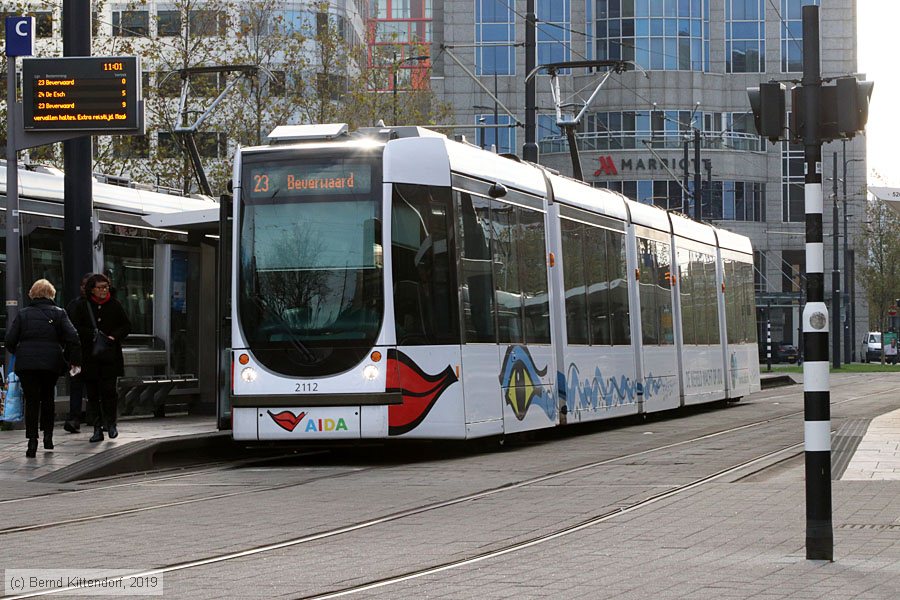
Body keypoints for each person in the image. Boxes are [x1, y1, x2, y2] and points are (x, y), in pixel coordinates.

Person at [4, 279, 83, 458]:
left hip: (27, 364)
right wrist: (73, 360)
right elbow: (74, 337)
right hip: (51, 363)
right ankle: (48, 437)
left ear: (32, 294)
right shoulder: (59, 313)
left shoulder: (23, 314)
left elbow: (9, 340)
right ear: (52, 294)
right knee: (47, 398)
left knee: (31, 401)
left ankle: (32, 442)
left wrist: (21, 352)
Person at [68, 273, 131, 443]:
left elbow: (126, 325)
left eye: (106, 287)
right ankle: (97, 428)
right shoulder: (82, 305)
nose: (104, 290)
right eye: (100, 288)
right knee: (93, 394)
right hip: (90, 357)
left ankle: (111, 424)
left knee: (109, 391)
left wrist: (112, 337)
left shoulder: (115, 304)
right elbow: (74, 328)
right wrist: (92, 335)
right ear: (92, 289)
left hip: (110, 357)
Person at [63, 273, 93, 434]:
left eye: (86, 285)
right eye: (82, 285)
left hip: (89, 355)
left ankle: (82, 417)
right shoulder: (74, 305)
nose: (83, 288)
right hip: (79, 356)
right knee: (77, 385)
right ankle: (76, 417)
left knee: (85, 386)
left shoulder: (98, 306)